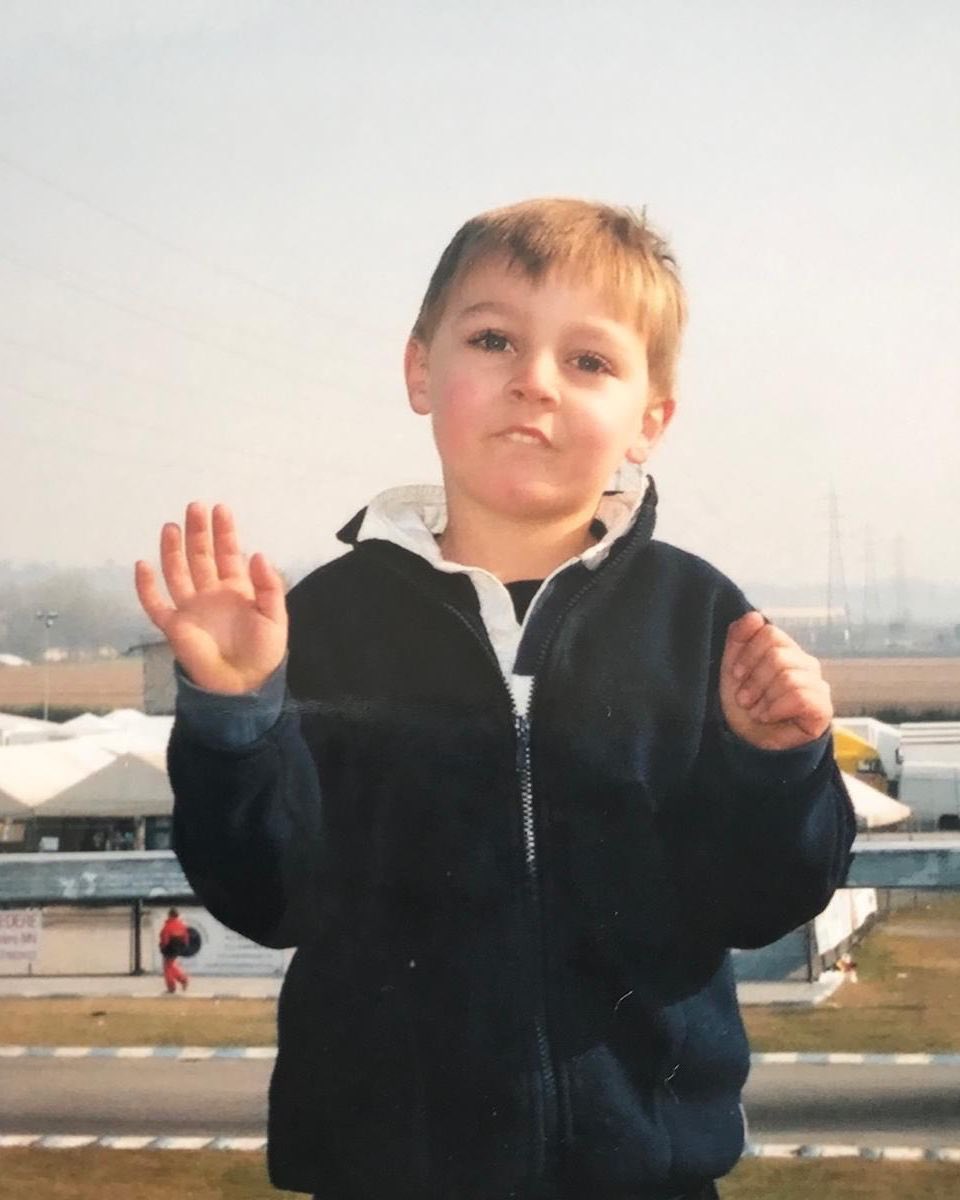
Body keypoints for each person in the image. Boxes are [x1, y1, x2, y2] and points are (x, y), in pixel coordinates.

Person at [135, 198, 856, 1200]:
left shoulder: (703, 620)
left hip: (645, 1171)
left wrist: (779, 762)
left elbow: (765, 899)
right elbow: (269, 898)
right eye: (493, 339)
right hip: (383, 1172)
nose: (534, 382)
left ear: (652, 418)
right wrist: (237, 716)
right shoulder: (324, 622)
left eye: (589, 361)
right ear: (420, 370)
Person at [158, 906, 190, 994]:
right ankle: (183, 979)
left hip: (169, 948)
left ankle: (172, 987)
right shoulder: (182, 925)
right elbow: (186, 938)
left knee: (167, 968)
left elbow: (165, 939)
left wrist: (162, 947)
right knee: (171, 965)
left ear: (169, 915)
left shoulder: (168, 926)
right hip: (178, 948)